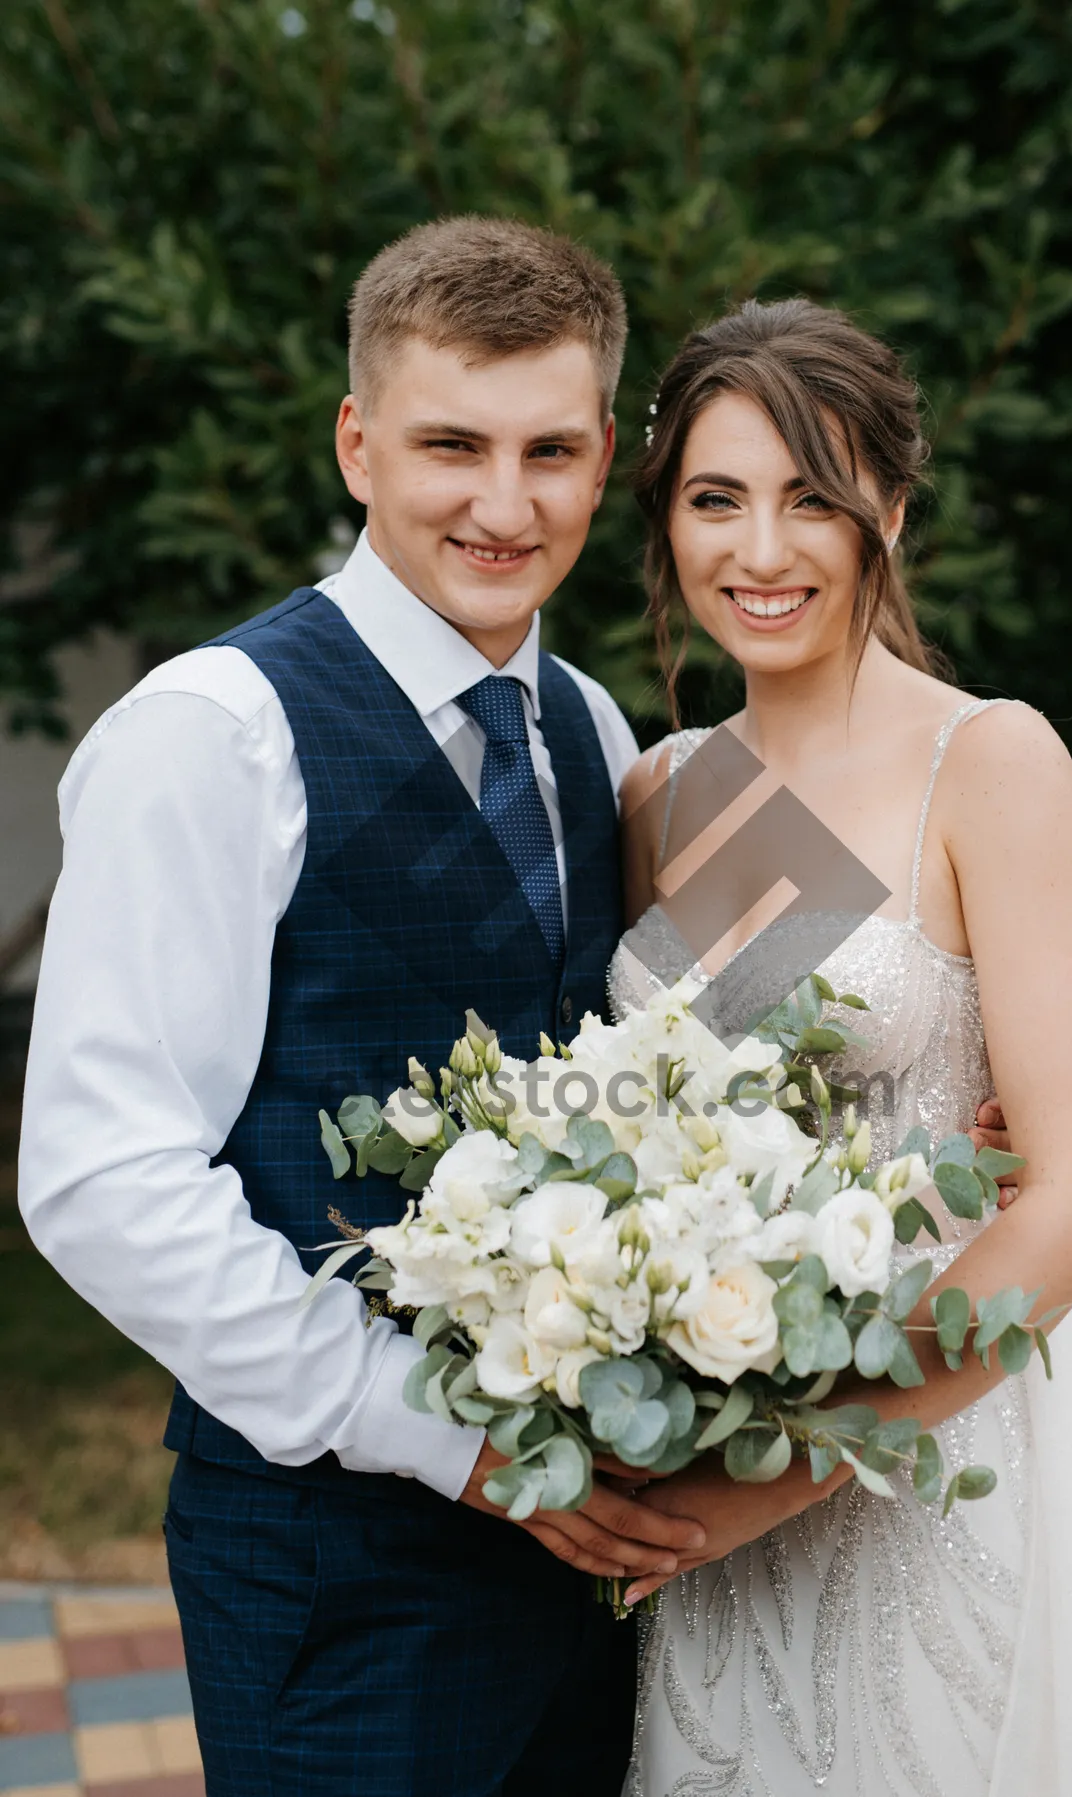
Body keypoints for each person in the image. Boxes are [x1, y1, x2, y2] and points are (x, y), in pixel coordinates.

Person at [17, 216, 711, 1797]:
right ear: (356, 442)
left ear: (604, 460)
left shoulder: (591, 727)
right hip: (335, 1556)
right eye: (450, 444)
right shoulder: (210, 733)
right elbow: (102, 1181)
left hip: (580, 1562)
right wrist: (447, 1437)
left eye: (549, 451)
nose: (502, 502)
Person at [607, 297, 1072, 1795]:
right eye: (716, 498)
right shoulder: (663, 790)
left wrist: (794, 1466)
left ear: (891, 503)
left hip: (944, 1471)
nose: (761, 550)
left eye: (813, 496)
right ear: (665, 517)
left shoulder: (987, 760)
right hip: (717, 1473)